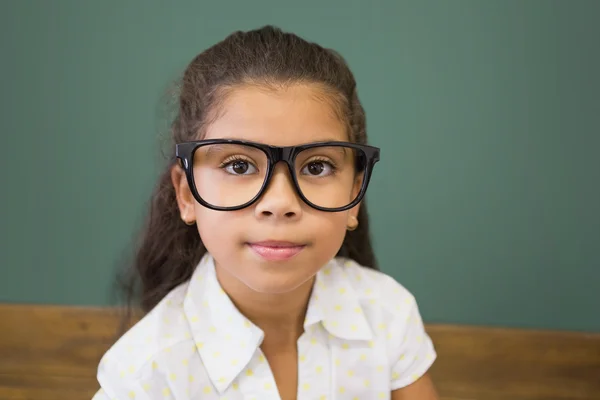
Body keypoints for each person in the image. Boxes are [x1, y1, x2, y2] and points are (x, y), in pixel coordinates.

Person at [93, 25, 438, 400]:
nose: (279, 203)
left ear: (355, 193)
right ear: (186, 193)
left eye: (316, 167)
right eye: (239, 166)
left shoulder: (387, 312)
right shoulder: (145, 374)